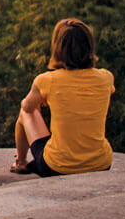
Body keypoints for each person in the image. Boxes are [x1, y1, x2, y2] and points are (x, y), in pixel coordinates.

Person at [11, 18, 114, 177]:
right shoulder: (106, 77)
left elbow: (27, 107)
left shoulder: (47, 80)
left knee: (24, 111)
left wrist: (42, 97)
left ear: (58, 48)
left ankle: (21, 162)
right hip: (101, 163)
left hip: (57, 166)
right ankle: (24, 161)